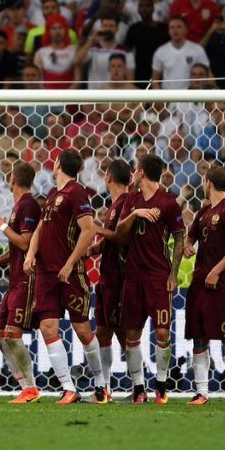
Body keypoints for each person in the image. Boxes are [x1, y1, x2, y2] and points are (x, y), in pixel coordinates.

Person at [23, 149, 106, 404]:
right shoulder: (52, 194)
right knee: (47, 327)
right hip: (45, 273)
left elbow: (88, 230)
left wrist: (70, 264)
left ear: (58, 164)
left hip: (70, 272)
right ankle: (68, 388)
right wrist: (30, 254)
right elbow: (40, 228)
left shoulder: (76, 192)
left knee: (82, 329)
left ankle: (101, 385)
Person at [113, 154, 186, 405]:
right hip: (133, 276)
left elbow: (180, 237)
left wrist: (173, 274)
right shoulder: (131, 200)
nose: (133, 174)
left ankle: (162, 385)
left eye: (136, 170)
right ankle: (138, 388)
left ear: (142, 172)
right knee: (132, 333)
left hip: (158, 277)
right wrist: (135, 214)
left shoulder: (168, 202)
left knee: (162, 331)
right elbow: (119, 234)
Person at [183, 165, 225, 406]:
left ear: (208, 182)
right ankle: (202, 392)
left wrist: (217, 271)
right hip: (199, 282)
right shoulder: (204, 210)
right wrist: (187, 245)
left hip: (223, 283)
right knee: (199, 337)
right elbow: (191, 236)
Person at [0, 162, 41, 403]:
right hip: (14, 280)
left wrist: (2, 226)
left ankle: (31, 389)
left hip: (26, 280)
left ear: (12, 180)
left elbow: (25, 243)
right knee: (1, 338)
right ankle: (25, 387)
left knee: (13, 336)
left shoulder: (28, 205)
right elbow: (17, 246)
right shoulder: (19, 206)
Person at [85, 160, 131, 402]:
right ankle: (103, 389)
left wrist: (96, 229)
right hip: (107, 277)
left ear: (108, 178)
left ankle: (139, 387)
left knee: (124, 335)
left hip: (119, 279)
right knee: (103, 333)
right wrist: (95, 249)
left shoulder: (126, 203)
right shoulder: (115, 205)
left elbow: (123, 238)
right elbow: (112, 239)